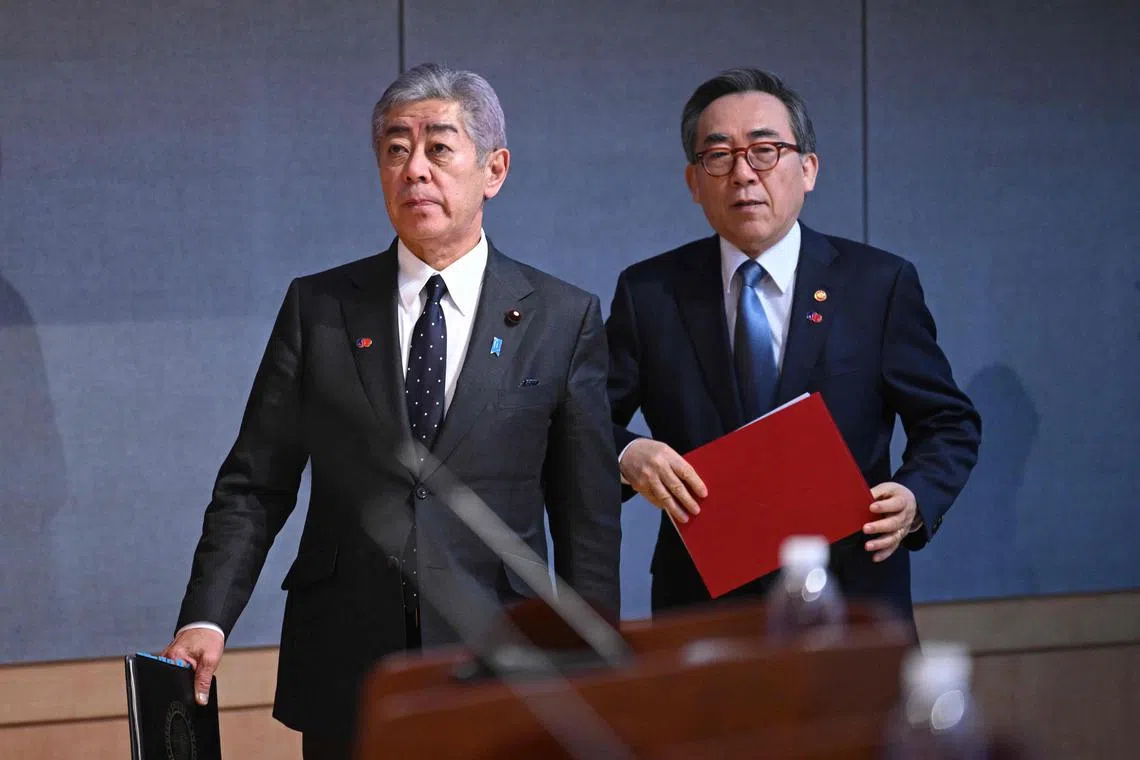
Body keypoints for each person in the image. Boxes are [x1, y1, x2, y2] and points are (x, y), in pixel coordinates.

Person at [161, 63, 621, 759]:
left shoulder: (562, 317)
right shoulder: (320, 309)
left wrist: (595, 658)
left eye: (439, 147)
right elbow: (254, 485)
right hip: (348, 659)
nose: (415, 170)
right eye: (395, 150)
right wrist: (207, 615)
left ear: (493, 170)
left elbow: (586, 514)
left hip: (498, 656)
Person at [606, 67, 980, 625]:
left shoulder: (877, 285)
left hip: (851, 594)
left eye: (764, 151)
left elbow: (948, 422)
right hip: (703, 604)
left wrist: (915, 497)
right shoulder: (650, 292)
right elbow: (581, 421)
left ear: (807, 169)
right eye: (719, 156)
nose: (742, 174)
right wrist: (627, 456)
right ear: (693, 181)